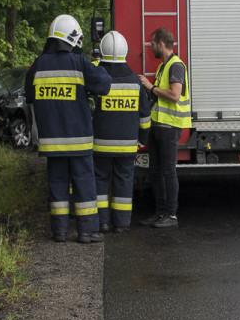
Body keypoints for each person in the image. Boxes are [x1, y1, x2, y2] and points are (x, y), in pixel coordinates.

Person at [25, 14, 112, 243]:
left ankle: (60, 231)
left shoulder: (37, 65)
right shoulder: (79, 63)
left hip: (51, 140)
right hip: (79, 140)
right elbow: (104, 85)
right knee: (84, 185)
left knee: (57, 186)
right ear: (72, 38)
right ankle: (86, 231)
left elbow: (29, 96)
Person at [92, 30, 150, 233]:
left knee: (100, 180)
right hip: (127, 144)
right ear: (125, 52)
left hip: (100, 144)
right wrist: (142, 139)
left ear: (103, 50)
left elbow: (90, 111)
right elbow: (145, 116)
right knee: (124, 181)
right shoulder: (135, 81)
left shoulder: (97, 79)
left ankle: (102, 222)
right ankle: (122, 224)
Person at [137, 27, 190, 228]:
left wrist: (150, 87)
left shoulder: (176, 65)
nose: (150, 48)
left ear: (161, 43)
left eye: (152, 43)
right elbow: (160, 95)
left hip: (170, 126)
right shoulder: (162, 67)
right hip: (158, 125)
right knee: (156, 170)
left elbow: (175, 95)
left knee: (168, 171)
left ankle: (171, 215)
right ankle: (160, 213)